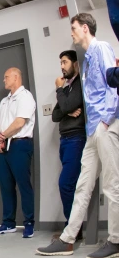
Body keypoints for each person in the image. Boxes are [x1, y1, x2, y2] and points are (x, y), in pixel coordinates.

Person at [37, 13, 119, 258]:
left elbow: (113, 85)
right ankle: (67, 239)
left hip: (106, 126)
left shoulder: (101, 48)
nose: (71, 32)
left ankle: (115, 240)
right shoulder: (84, 63)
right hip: (92, 130)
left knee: (112, 184)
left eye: (73, 28)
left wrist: (106, 119)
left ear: (85, 28)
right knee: (82, 186)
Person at [0, 68, 36, 238]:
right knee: (6, 186)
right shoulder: (4, 101)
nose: (4, 80)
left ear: (16, 77)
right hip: (4, 147)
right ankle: (8, 223)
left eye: (6, 77)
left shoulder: (26, 97)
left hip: (20, 145)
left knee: (24, 185)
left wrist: (1, 137)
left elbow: (19, 123)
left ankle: (29, 223)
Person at [52, 50, 86, 240]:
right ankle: (73, 228)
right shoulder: (67, 88)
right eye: (61, 63)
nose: (62, 67)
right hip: (65, 140)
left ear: (75, 64)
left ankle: (72, 227)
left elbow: (63, 107)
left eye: (64, 62)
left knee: (66, 184)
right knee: (69, 185)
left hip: (76, 138)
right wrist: (67, 110)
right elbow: (56, 114)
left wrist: (59, 90)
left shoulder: (79, 84)